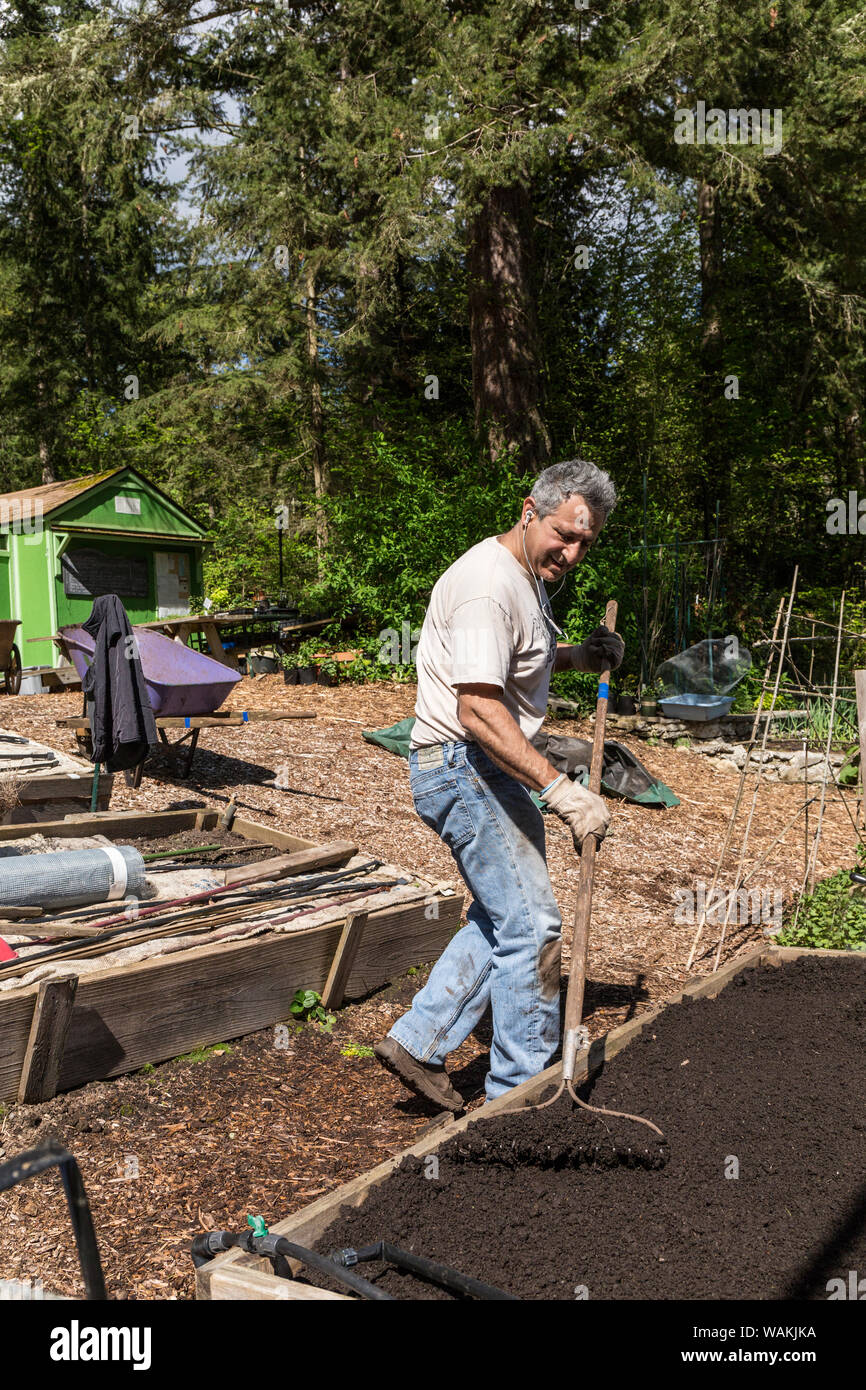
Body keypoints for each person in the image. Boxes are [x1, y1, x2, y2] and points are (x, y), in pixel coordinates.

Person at [374, 458, 624, 1110]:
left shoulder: (520, 578)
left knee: (503, 916)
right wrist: (561, 791)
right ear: (528, 511)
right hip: (466, 763)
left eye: (583, 543)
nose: (570, 552)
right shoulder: (489, 584)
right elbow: (478, 709)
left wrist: (581, 656)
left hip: (481, 764)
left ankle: (419, 1039)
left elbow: (519, 663)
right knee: (533, 928)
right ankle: (521, 1098)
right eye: (563, 534)